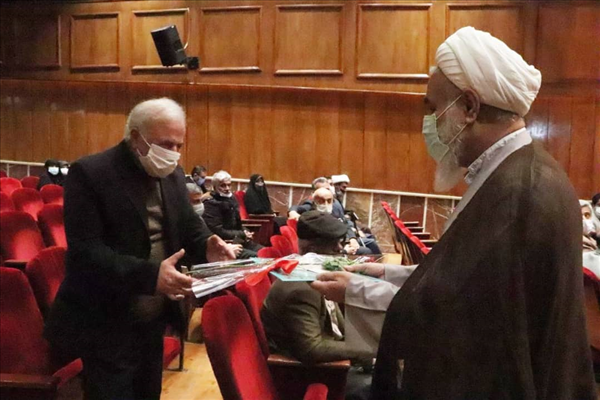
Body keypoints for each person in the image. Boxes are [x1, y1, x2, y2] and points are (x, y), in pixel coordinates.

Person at [314, 27, 597, 399]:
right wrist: (386, 273)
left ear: (469, 107)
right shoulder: (516, 171)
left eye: (434, 108)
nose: (430, 123)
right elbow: (465, 281)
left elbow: (460, 319)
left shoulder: (519, 192)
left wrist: (357, 292)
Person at [44, 98, 237, 400]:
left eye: (179, 145)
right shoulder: (91, 173)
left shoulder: (172, 174)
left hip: (152, 319)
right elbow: (86, 254)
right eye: (166, 144)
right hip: (105, 322)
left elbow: (188, 224)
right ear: (136, 137)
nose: (174, 153)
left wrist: (208, 244)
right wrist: (151, 276)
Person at [261, 211, 368, 364]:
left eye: (340, 243)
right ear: (311, 250)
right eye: (333, 246)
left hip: (332, 353)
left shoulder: (316, 275)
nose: (340, 249)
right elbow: (312, 349)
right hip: (310, 372)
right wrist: (365, 350)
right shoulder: (301, 290)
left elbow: (337, 325)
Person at [202, 170, 263, 259]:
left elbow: (238, 223)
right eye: (223, 185)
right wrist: (242, 234)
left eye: (229, 185)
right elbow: (218, 231)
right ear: (214, 187)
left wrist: (245, 231)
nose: (227, 188)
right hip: (226, 244)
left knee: (267, 252)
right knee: (259, 256)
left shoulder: (232, 199)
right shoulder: (211, 204)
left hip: (240, 240)